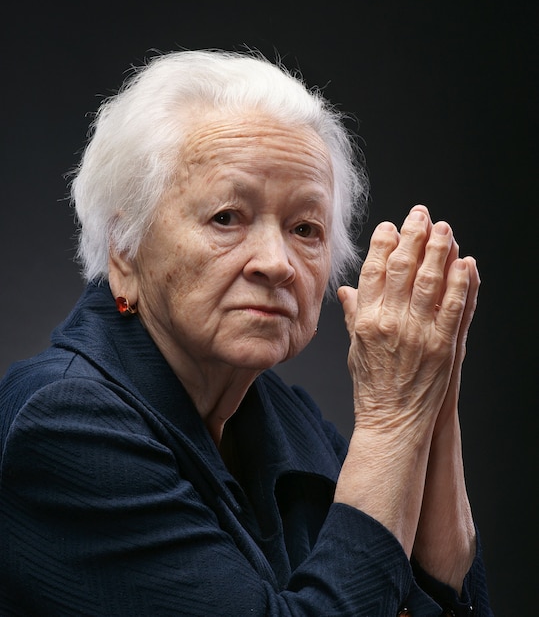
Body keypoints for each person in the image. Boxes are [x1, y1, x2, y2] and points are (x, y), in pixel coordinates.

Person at [0, 49, 493, 616]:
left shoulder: (284, 418)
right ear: (124, 247)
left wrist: (436, 385)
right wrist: (393, 419)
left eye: (305, 228)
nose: (276, 262)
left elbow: (441, 600)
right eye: (226, 218)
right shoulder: (62, 426)